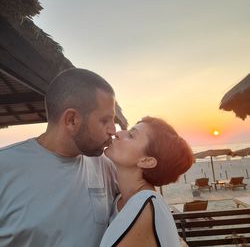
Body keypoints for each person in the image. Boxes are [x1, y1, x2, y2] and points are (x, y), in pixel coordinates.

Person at [0, 68, 119, 247]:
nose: (113, 130)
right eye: (105, 120)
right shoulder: (5, 167)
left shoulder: (106, 166)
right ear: (71, 120)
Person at [100, 116, 193, 247]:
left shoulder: (145, 205)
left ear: (146, 161)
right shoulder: (121, 201)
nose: (118, 133)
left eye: (131, 135)